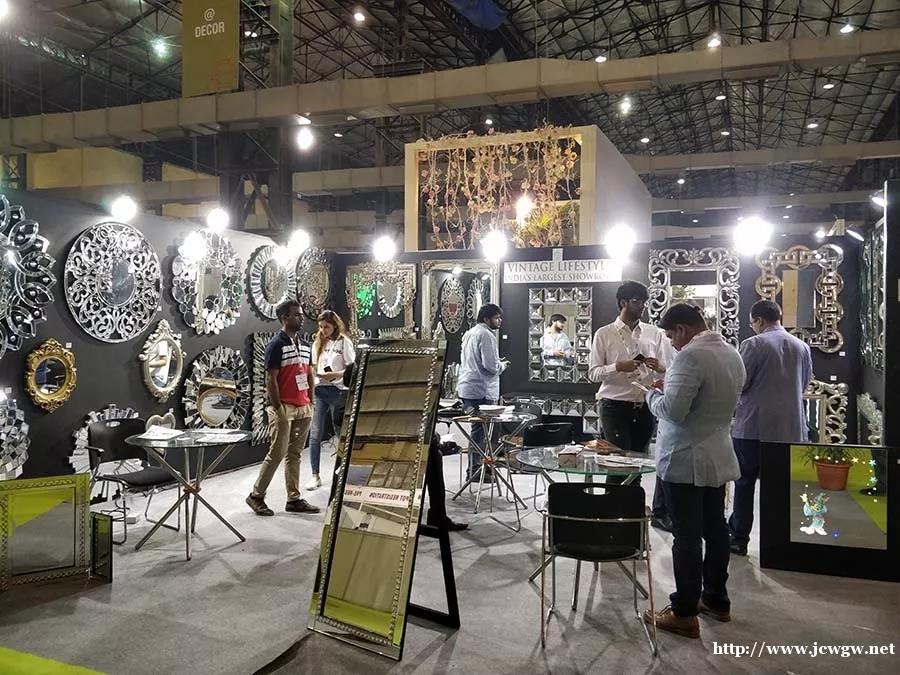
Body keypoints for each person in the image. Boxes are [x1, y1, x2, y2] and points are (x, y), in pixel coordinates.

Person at [643, 304, 746, 639]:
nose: (672, 343)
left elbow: (674, 411)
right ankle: (716, 599)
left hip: (685, 459)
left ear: (683, 329)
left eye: (671, 335)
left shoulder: (689, 357)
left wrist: (651, 395)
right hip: (716, 455)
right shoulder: (731, 353)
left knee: (686, 536)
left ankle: (684, 611)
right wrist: (670, 387)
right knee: (715, 529)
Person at [588, 280, 675, 532]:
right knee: (618, 462)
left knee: (638, 462)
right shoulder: (604, 333)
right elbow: (593, 373)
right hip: (614, 405)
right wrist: (618, 366)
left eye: (645, 301)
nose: (643, 306)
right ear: (623, 302)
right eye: (638, 301)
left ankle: (629, 515)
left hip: (645, 404)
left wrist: (659, 367)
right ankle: (609, 517)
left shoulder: (654, 333)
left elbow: (668, 367)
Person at [729, 300, 813, 556]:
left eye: (752, 322)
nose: (752, 327)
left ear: (759, 320)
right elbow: (805, 383)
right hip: (790, 428)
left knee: (744, 484)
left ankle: (739, 538)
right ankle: (778, 544)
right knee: (780, 488)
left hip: (753, 426)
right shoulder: (801, 346)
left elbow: (740, 383)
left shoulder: (754, 344)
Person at [246, 300, 320, 516]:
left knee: (295, 453)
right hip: (284, 407)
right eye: (296, 314)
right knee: (277, 453)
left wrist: (311, 401)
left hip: (303, 406)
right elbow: (271, 379)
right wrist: (278, 407)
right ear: (284, 318)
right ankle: (256, 495)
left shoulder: (305, 345)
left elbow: (309, 374)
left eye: (301, 314)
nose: (301, 318)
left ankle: (293, 498)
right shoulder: (276, 345)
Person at [457, 303, 509, 479]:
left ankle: (477, 467)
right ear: (486, 319)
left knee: (478, 431)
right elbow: (490, 366)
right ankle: (475, 470)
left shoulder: (469, 333)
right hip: (481, 390)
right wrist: (502, 365)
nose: (500, 321)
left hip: (468, 388)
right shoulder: (486, 335)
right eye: (496, 318)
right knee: (481, 433)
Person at [307, 310, 356, 491]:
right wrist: (317, 375)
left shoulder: (344, 342)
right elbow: (313, 366)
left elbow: (351, 369)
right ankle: (315, 475)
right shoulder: (317, 342)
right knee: (315, 433)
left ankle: (343, 470)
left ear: (335, 325)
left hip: (338, 391)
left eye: (326, 327)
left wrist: (334, 375)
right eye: (320, 327)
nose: (323, 330)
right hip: (320, 390)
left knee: (339, 432)